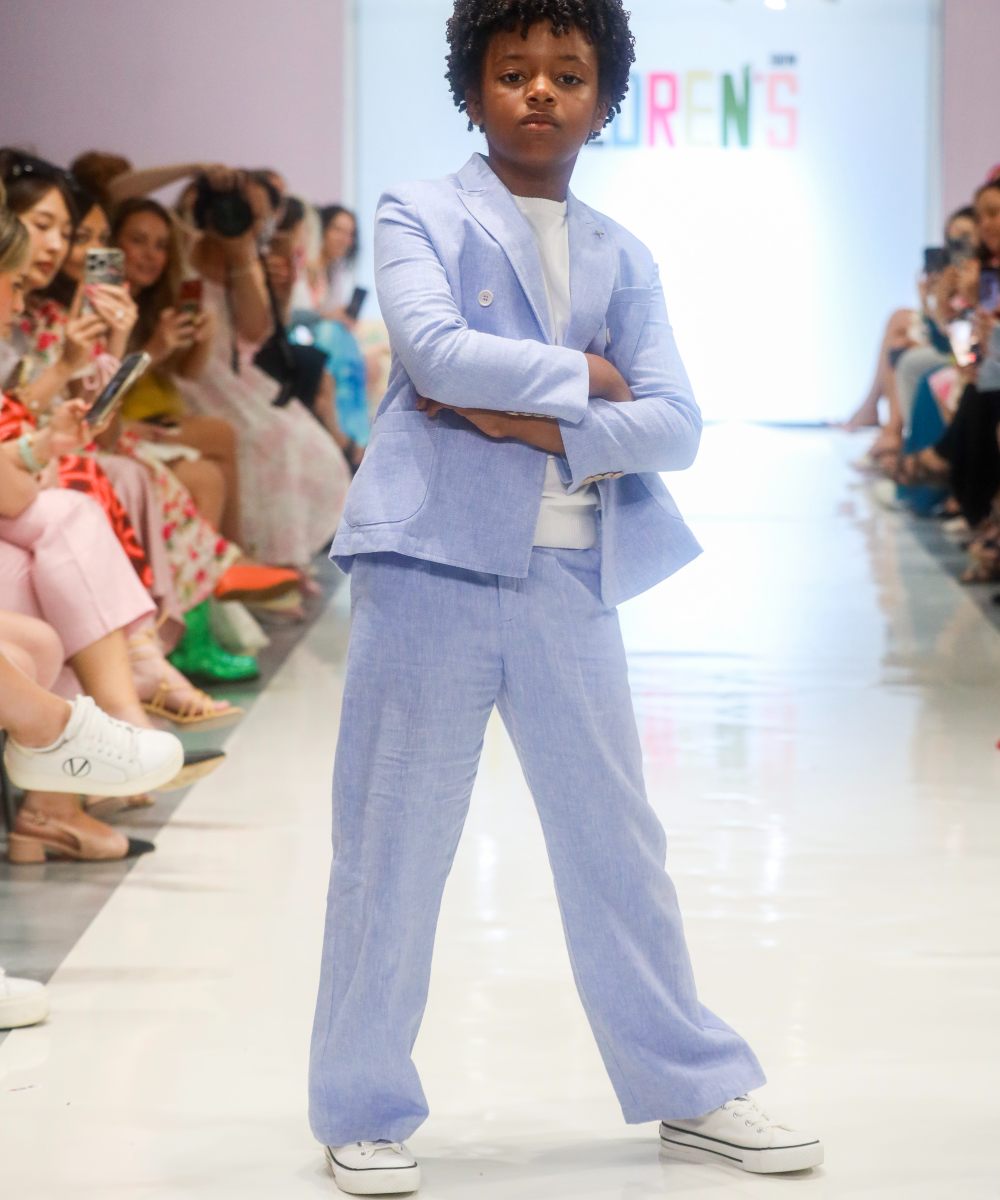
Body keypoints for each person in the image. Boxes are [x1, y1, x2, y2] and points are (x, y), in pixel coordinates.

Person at [308, 2, 823, 1194]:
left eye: (568, 72)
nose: (540, 91)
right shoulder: (416, 212)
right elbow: (433, 354)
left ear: (604, 94)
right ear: (472, 86)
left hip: (569, 575)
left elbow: (679, 426)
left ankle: (690, 1087)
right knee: (389, 849)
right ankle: (360, 1106)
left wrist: (526, 413)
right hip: (428, 565)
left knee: (616, 847)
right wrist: (590, 382)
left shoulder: (622, 254)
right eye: (513, 70)